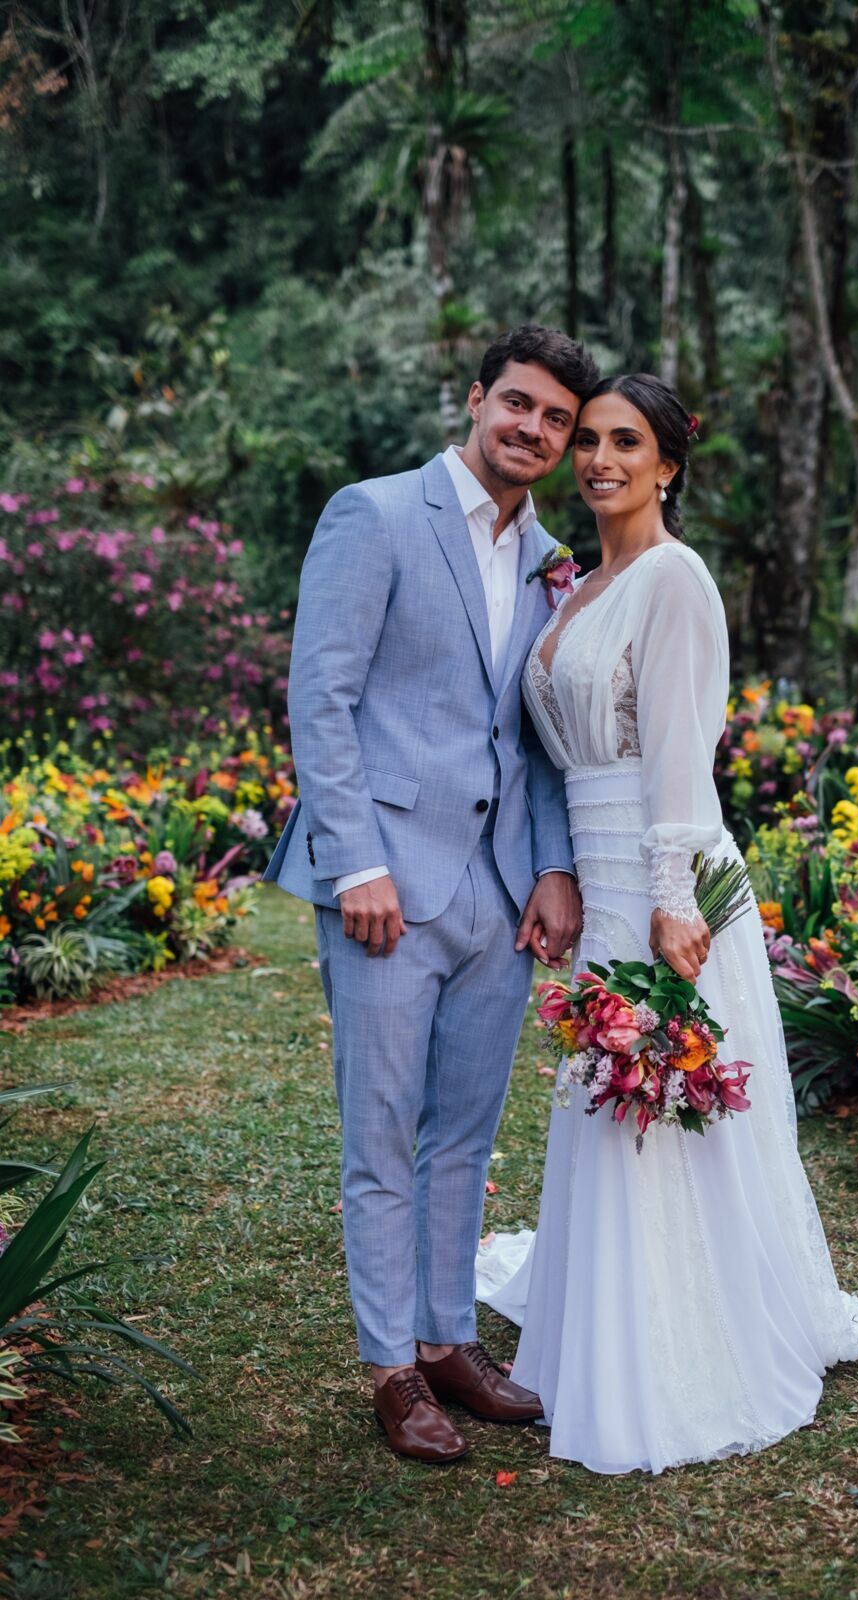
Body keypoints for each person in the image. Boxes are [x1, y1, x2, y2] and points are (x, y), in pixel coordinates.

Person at [475, 373, 858, 1475]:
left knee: (656, 1090)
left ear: (667, 464)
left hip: (664, 866)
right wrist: (559, 870)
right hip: (593, 861)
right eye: (589, 441)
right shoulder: (573, 580)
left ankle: (670, 1344)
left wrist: (668, 899)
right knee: (601, 1088)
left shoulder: (675, 577)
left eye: (626, 443)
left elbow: (678, 751)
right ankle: (596, 1302)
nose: (599, 459)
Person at [265, 326, 598, 1462]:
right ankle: (390, 1368)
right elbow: (323, 696)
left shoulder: (550, 553)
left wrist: (552, 867)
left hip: (499, 893)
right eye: (518, 404)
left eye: (555, 419)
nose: (532, 430)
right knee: (381, 1133)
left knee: (462, 1134)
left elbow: (540, 737)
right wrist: (354, 861)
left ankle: (449, 1340)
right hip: (387, 887)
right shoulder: (374, 513)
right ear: (474, 399)